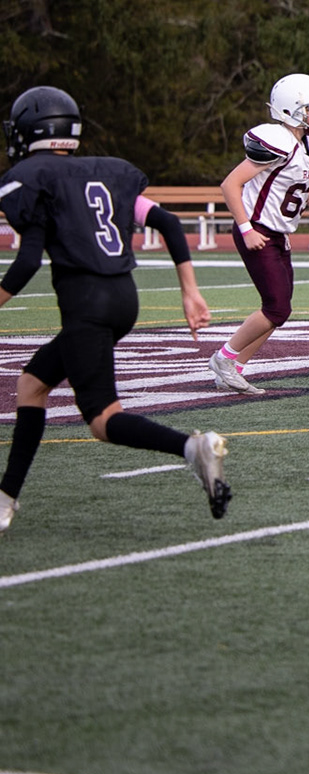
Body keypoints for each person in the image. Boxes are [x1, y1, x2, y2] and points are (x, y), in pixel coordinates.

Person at [0, 86, 229, 534]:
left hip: (87, 304)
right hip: (124, 298)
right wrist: (190, 290)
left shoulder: (34, 177)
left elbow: (28, 261)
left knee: (104, 420)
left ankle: (192, 448)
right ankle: (7, 497)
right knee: (31, 383)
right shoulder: (104, 172)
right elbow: (165, 221)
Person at [207, 73, 309, 395]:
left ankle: (234, 369)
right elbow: (230, 185)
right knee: (276, 307)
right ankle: (223, 358)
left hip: (278, 232)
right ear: (289, 110)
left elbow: (298, 185)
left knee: (280, 310)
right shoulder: (276, 140)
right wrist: (246, 229)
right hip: (257, 230)